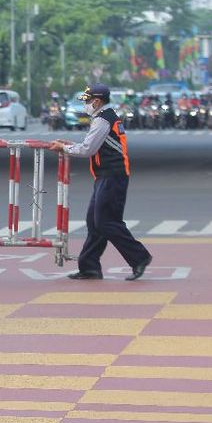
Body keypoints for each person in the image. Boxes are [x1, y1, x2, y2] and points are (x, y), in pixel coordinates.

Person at [48, 84, 152, 281]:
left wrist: (64, 148)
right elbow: (93, 145)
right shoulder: (106, 117)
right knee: (94, 222)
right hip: (106, 176)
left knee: (106, 222)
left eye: (87, 101)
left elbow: (88, 150)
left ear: (96, 101)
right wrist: (69, 145)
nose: (86, 105)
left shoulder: (103, 120)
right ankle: (90, 267)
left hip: (113, 176)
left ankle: (139, 257)